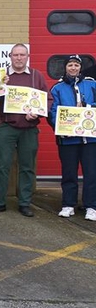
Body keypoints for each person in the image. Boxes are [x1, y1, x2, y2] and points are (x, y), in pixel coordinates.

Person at [0, 43, 48, 217]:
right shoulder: (1, 76)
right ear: (10, 57)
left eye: (22, 55)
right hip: (5, 127)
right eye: (15, 55)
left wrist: (37, 114)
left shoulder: (37, 76)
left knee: (27, 167)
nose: (19, 58)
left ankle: (24, 203)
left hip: (29, 129)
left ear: (27, 57)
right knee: (1, 166)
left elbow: (46, 100)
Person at [48, 54, 96, 221]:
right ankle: (68, 204)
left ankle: (91, 206)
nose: (73, 68)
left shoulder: (92, 84)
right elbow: (52, 112)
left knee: (92, 173)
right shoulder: (57, 88)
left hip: (90, 140)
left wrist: (88, 107)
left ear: (80, 67)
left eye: (76, 65)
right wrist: (60, 128)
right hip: (67, 139)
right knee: (69, 173)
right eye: (70, 65)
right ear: (65, 68)